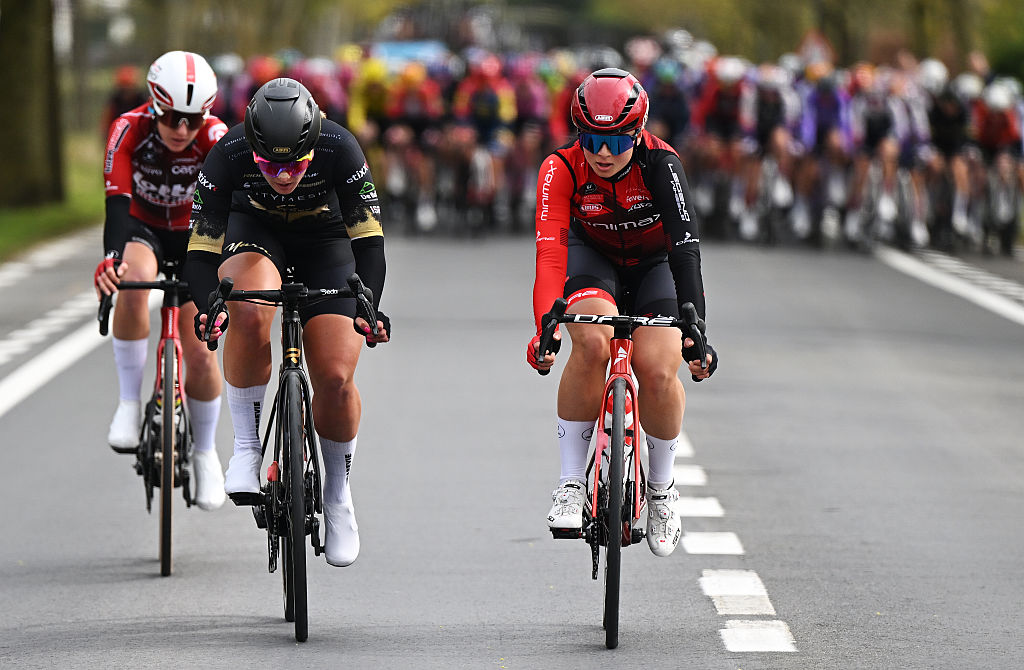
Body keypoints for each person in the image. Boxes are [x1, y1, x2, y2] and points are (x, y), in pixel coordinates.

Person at [184, 78, 390, 568]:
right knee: (250, 312)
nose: (282, 175)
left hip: (326, 242)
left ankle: (338, 496)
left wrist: (369, 303)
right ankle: (248, 448)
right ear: (252, 148)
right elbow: (199, 251)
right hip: (254, 234)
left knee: (337, 377)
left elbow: (369, 241)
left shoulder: (340, 146)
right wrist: (207, 306)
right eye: (269, 164)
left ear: (312, 143)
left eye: (294, 164)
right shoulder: (228, 152)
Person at [527, 68, 718, 558]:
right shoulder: (561, 168)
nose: (604, 153)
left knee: (657, 368)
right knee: (591, 343)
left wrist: (695, 327)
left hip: (655, 265)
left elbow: (685, 248)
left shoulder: (662, 164)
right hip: (594, 260)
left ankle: (661, 489)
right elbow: (550, 251)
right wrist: (545, 325)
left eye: (616, 140)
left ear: (637, 132)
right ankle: (571, 482)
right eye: (591, 138)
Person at [94, 50, 227, 511]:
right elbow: (116, 207)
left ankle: (207, 452)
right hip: (143, 228)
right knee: (132, 282)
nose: (183, 129)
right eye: (172, 116)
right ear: (153, 104)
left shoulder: (215, 138)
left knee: (201, 353)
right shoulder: (127, 129)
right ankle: (130, 403)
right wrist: (111, 260)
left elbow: (234, 212)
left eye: (193, 119)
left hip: (195, 237)